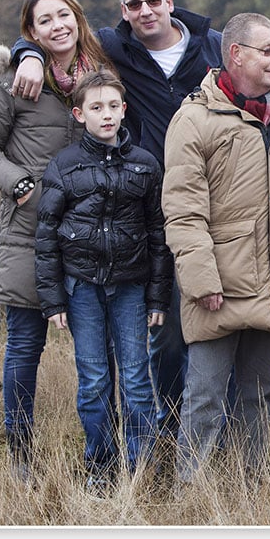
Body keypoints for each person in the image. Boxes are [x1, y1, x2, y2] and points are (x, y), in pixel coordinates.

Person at [10, 0, 223, 463]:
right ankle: (157, 444)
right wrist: (26, 56)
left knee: (215, 326)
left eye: (153, 1)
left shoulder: (212, 46)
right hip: (145, 212)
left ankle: (209, 440)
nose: (144, 11)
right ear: (122, 12)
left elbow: (256, 75)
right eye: (133, 5)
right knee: (161, 340)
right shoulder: (115, 47)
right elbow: (53, 33)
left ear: (171, 1)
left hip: (210, 205)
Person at [0, 0, 115, 483]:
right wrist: (24, 187)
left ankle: (103, 458)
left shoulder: (102, 75)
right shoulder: (15, 80)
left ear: (77, 17)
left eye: (64, 15)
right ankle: (21, 456)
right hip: (30, 234)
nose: (57, 26)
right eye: (43, 21)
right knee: (24, 347)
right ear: (29, 32)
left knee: (101, 355)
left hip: (95, 236)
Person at [160, 13, 270, 485]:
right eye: (268, 50)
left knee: (259, 394)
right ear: (236, 54)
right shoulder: (194, 118)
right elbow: (183, 210)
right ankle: (190, 495)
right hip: (217, 286)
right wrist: (201, 282)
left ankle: (253, 492)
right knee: (204, 396)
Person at [33, 69, 173, 495]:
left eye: (114, 106)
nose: (106, 115)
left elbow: (157, 235)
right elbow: (46, 234)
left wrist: (157, 297)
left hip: (131, 288)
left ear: (124, 110)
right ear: (80, 114)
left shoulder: (145, 164)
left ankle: (141, 469)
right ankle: (100, 466)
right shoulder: (65, 165)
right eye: (96, 108)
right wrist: (53, 299)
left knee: (135, 379)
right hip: (82, 290)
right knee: (94, 381)